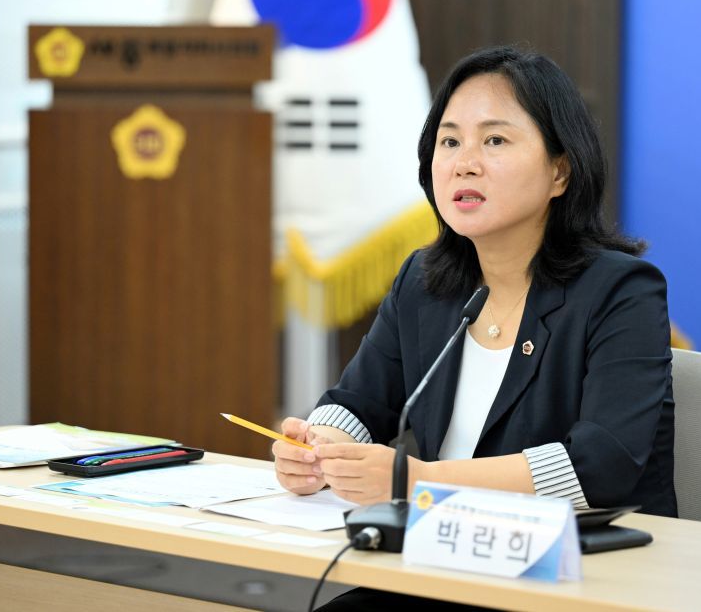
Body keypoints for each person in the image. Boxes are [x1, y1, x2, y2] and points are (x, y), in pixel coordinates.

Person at [273, 45, 676, 608]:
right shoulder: (425, 282)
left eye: (495, 141)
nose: (464, 163)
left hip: (579, 581)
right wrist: (318, 449)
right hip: (445, 565)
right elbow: (357, 404)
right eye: (449, 142)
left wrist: (418, 480)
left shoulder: (620, 291)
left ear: (560, 171)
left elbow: (600, 468)